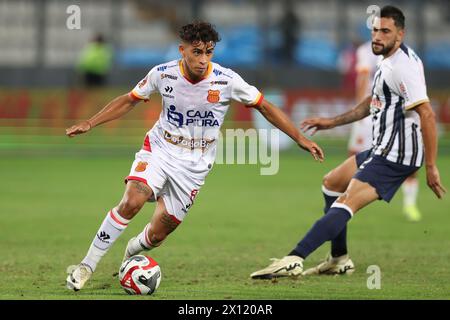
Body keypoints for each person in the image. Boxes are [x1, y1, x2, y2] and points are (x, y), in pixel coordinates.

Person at [65, 21, 324, 291]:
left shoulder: (226, 80)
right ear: (182, 50)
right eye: (197, 52)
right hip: (160, 150)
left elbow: (265, 106)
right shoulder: (162, 74)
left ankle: (130, 257)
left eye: (209, 52)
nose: (203, 60)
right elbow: (129, 99)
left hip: (194, 166)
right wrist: (91, 123)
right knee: (133, 199)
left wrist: (300, 138)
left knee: (158, 233)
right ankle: (86, 266)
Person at [250, 6, 446, 279]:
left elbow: (427, 113)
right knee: (331, 183)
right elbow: (373, 101)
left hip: (396, 155)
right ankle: (339, 258)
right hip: (383, 147)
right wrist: (333, 121)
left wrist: (431, 165)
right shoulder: (387, 60)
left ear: (400, 35)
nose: (377, 36)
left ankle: (295, 257)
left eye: (385, 31)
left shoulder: (404, 67)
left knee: (346, 202)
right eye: (375, 30)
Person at [350, 39, 422, 222]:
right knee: (356, 156)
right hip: (372, 110)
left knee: (408, 158)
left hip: (395, 112)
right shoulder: (366, 50)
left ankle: (409, 204)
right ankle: (350, 198)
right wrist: (359, 111)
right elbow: (363, 79)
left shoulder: (408, 55)